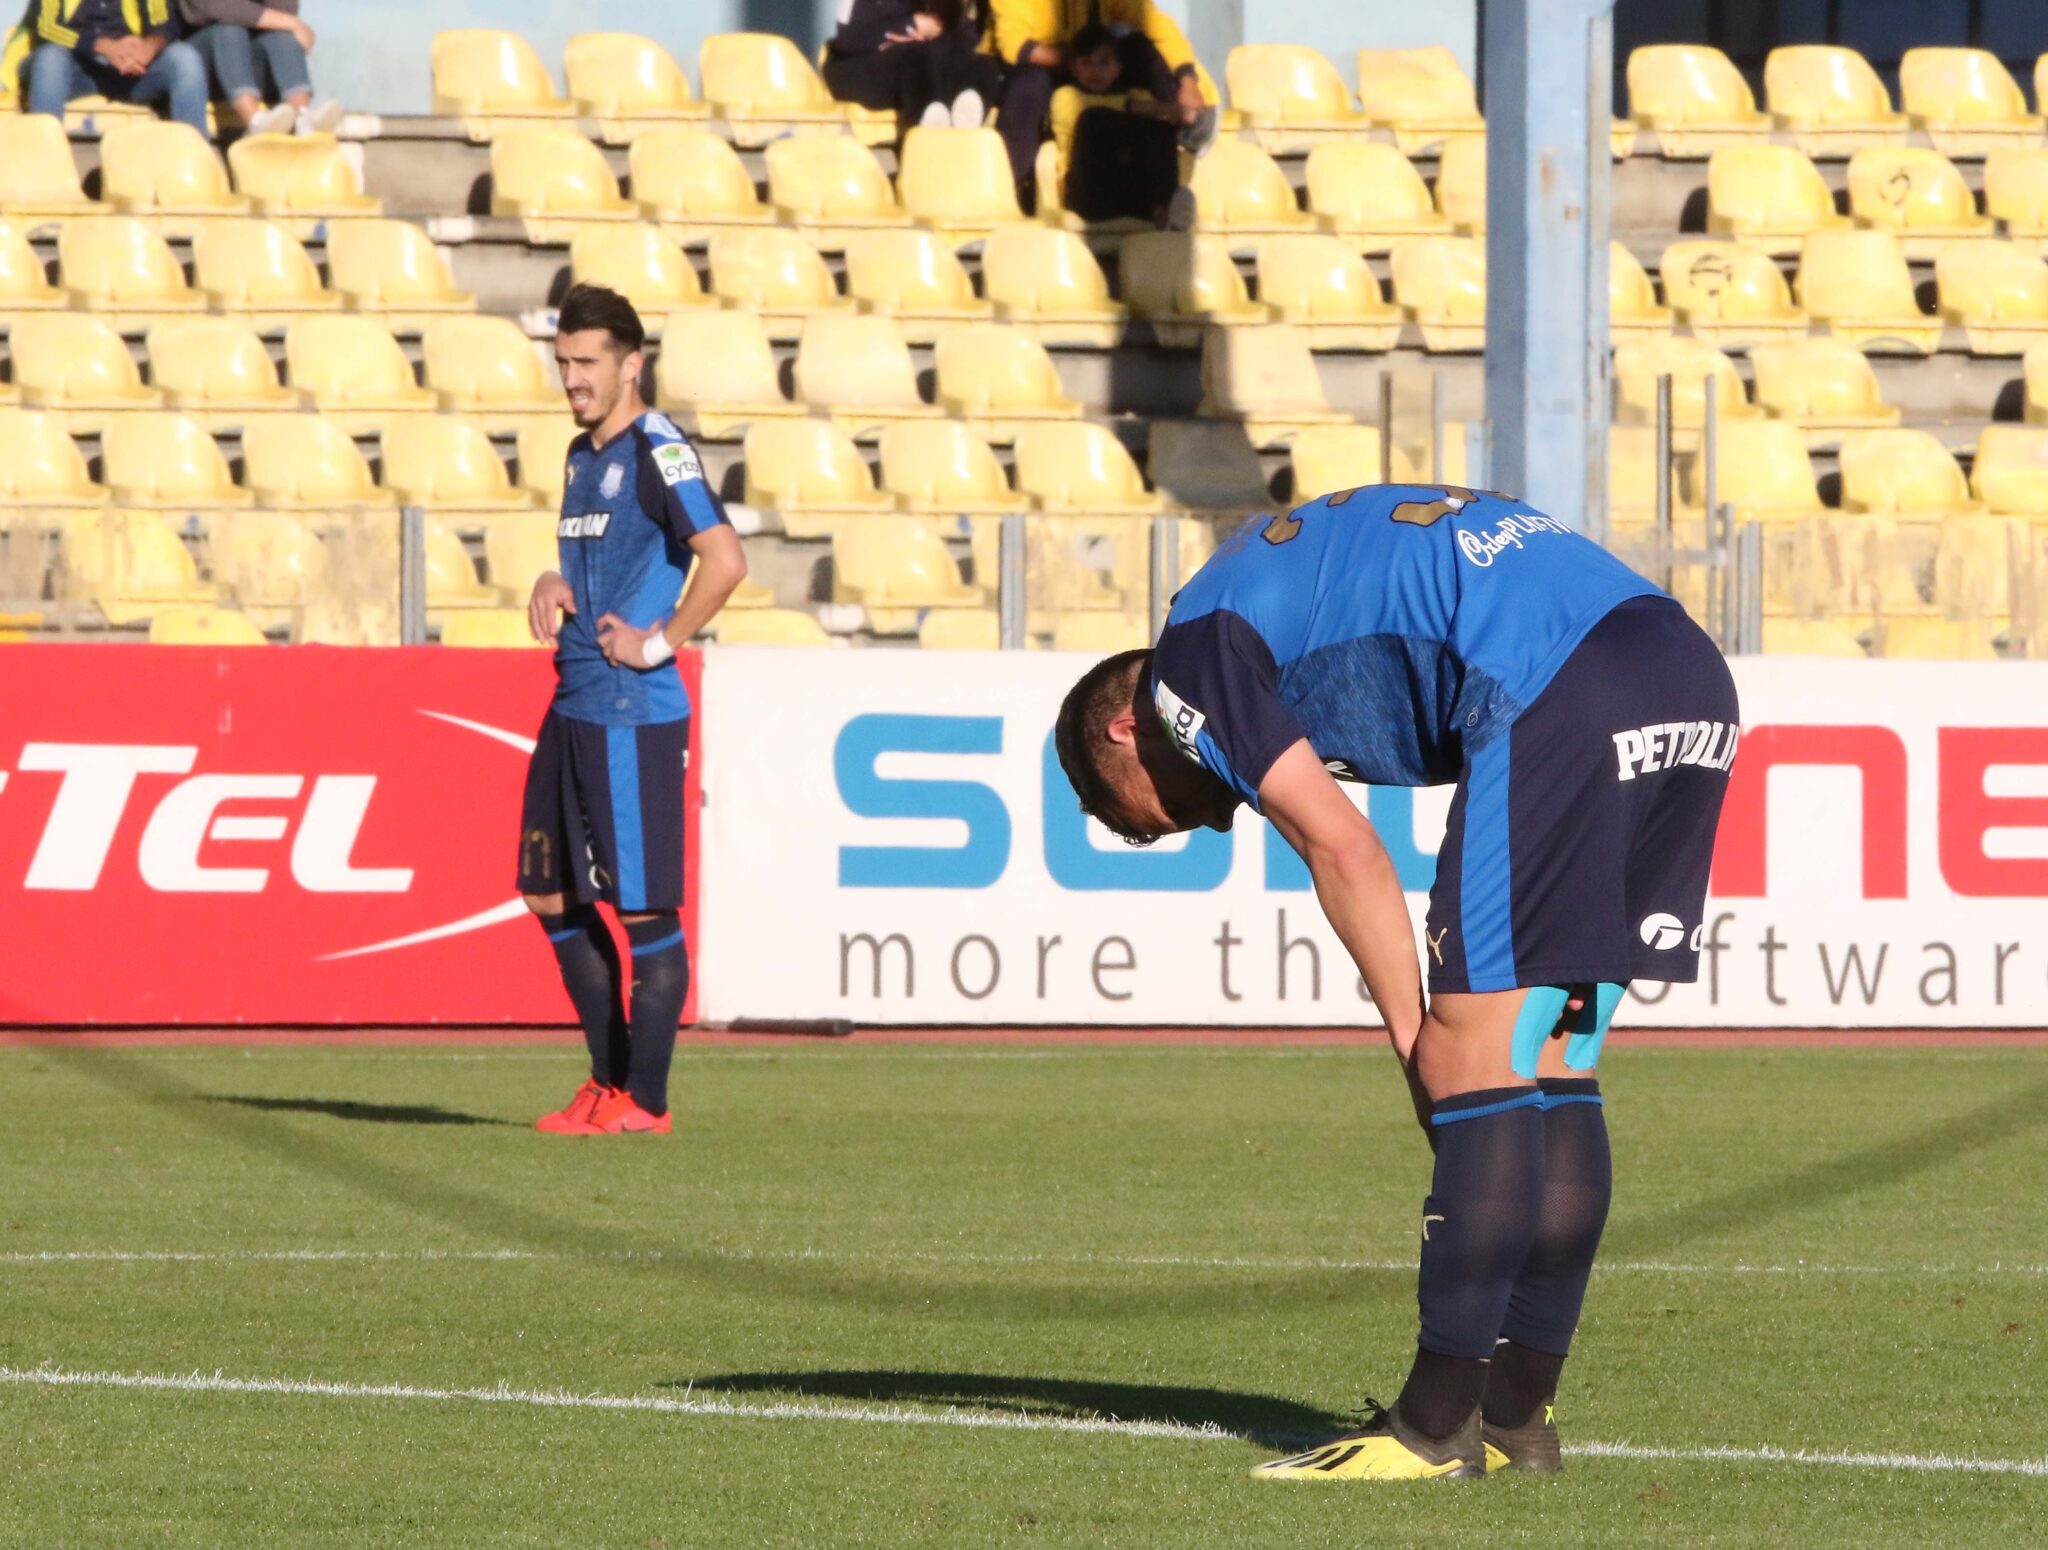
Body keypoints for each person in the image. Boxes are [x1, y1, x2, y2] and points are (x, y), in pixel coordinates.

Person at [1053, 484, 1740, 1479]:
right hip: (1679, 668)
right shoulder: (1271, 616)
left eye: (1134, 817)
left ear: (1120, 733)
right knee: (1550, 1059)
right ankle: (1513, 1418)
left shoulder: (1187, 662)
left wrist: (1417, 1041)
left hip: (1559, 676)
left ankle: (1427, 1428)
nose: (1197, 823)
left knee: (1468, 1055)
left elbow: (1343, 849)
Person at [520, 283, 749, 1138]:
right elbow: (590, 566)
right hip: (573, 698)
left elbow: (724, 561)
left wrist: (658, 642)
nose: (573, 377)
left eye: (587, 363)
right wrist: (552, 581)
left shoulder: (660, 449)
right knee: (546, 893)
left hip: (630, 709)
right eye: (564, 362)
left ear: (631, 365)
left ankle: (643, 1102)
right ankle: (607, 1081)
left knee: (645, 907)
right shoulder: (583, 455)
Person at [983, 0, 1214, 211]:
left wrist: (1188, 80)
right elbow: (1014, 44)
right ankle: (1009, 189)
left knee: (1140, 48)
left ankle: (1186, 125)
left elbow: (1156, 23)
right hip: (1036, 63)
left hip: (1086, 55)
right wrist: (1081, 63)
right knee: (1031, 86)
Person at [1050, 22, 1191, 227]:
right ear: (1074, 69)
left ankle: (1165, 210)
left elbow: (1156, 115)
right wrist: (1145, 108)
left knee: (1159, 129)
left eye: (1104, 62)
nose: (1095, 71)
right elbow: (1100, 109)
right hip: (1086, 193)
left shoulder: (1138, 98)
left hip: (1128, 191)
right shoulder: (1065, 97)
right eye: (1086, 63)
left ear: (1118, 68)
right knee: (1093, 120)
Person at [15, 0, 209, 136]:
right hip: (73, 68)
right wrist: (103, 46)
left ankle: (194, 164)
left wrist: (148, 47)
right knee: (51, 58)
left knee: (184, 57)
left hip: (129, 69)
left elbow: (163, 22)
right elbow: (47, 28)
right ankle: (44, 164)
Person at [822, 0, 1001, 130]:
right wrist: (908, 26)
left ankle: (967, 116)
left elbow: (961, 43)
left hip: (921, 64)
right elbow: (848, 38)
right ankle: (930, 126)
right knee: (919, 57)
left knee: (985, 66)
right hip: (857, 67)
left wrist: (932, 37)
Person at [176, 0, 341, 135]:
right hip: (203, 69)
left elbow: (286, 8)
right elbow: (215, 7)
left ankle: (303, 117)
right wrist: (293, 24)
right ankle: (255, 120)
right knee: (229, 29)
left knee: (281, 35)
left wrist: (289, 23)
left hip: (247, 64)